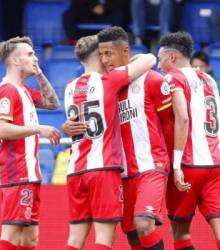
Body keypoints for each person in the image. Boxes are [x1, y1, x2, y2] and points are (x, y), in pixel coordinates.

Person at [63, 30, 156, 250]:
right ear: (98, 55)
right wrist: (130, 62)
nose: (107, 59)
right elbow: (150, 58)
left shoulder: (69, 87)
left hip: (75, 169)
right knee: (104, 236)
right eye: (104, 54)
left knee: (75, 238)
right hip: (103, 168)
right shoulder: (109, 80)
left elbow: (71, 122)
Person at [97, 26, 171, 250]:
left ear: (125, 51)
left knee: (143, 223)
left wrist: (173, 162)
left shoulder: (153, 80)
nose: (104, 59)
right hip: (123, 173)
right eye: (100, 54)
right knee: (131, 234)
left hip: (151, 165)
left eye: (108, 53)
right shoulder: (106, 85)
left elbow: (170, 122)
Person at [0, 36, 61, 250]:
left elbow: (52, 103)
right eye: (30, 54)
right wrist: (39, 129)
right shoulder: (7, 90)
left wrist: (39, 74)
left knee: (30, 238)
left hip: (30, 172)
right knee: (11, 234)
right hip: (16, 172)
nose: (35, 58)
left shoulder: (23, 90)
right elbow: (0, 130)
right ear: (15, 61)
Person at [157, 31, 220, 250]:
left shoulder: (173, 78)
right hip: (215, 164)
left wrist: (175, 165)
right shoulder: (209, 78)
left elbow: (182, 118)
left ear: (172, 57)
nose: (158, 65)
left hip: (188, 164)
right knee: (218, 225)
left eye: (160, 59)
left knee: (181, 231)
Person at [62, 0, 130, 44]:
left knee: (119, 14)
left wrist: (105, 7)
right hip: (88, 14)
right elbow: (75, 5)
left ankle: (116, 41)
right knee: (68, 15)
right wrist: (92, 8)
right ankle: (74, 42)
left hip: (109, 14)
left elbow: (123, 4)